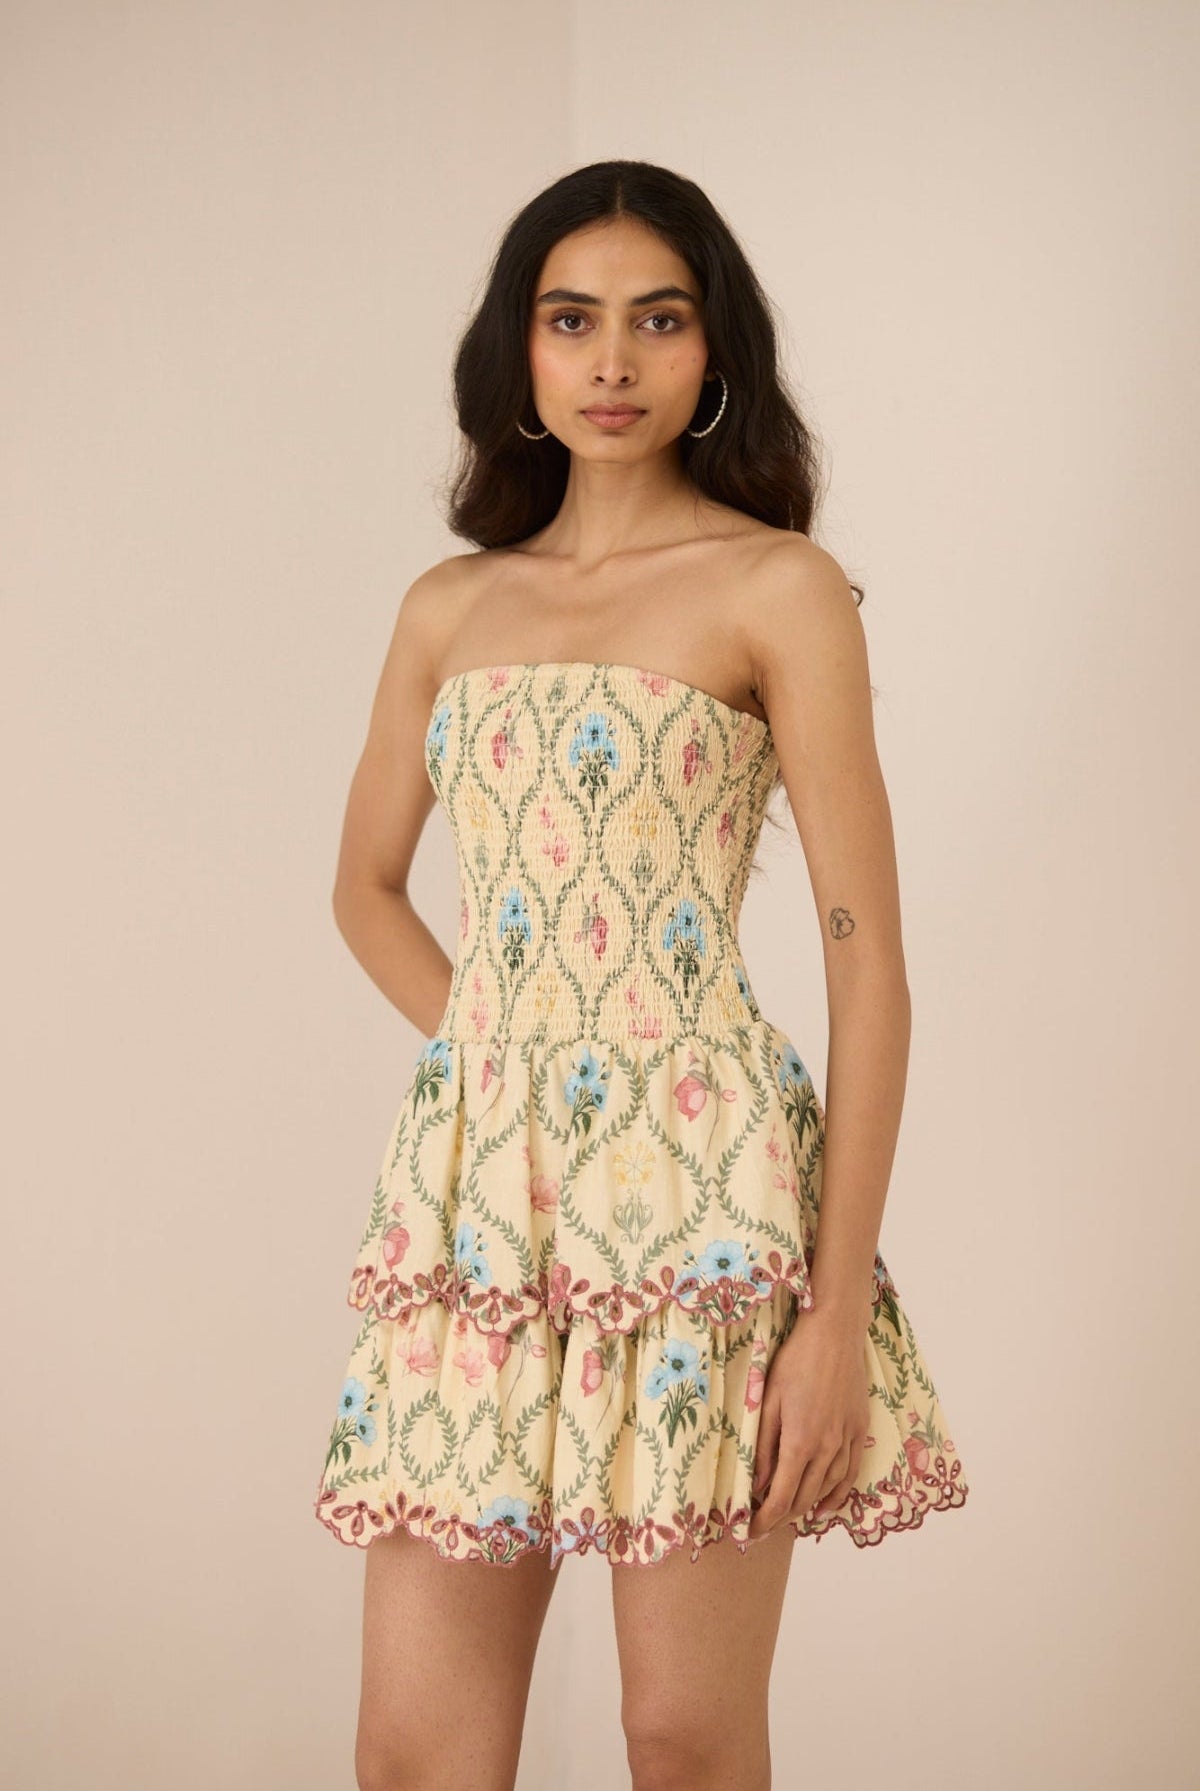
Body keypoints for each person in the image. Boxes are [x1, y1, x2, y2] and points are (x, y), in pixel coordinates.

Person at [314, 159, 968, 1791]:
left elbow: (868, 961)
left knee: (681, 1738)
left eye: (658, 321)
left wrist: (831, 1312)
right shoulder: (449, 609)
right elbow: (368, 889)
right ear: (517, 356)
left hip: (712, 1205)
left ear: (713, 351)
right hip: (483, 1209)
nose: (613, 362)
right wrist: (504, 1051)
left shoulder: (777, 588)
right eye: (572, 320)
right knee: (417, 1752)